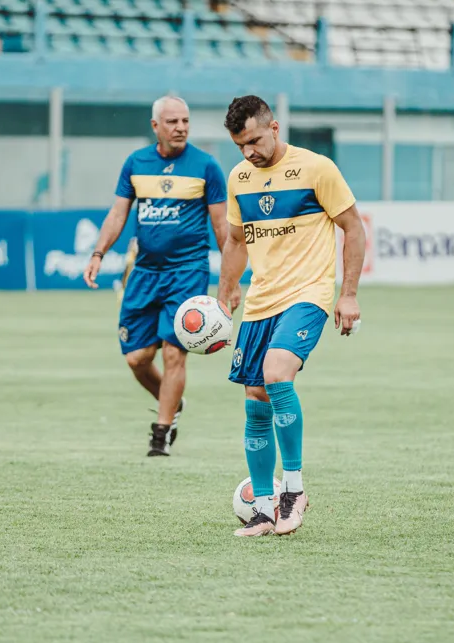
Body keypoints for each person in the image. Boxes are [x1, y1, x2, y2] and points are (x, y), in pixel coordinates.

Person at [216, 95, 366, 537]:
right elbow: (237, 240)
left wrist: (349, 294)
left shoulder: (317, 168)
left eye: (255, 141)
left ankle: (294, 491)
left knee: (277, 373)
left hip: (308, 294)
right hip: (261, 301)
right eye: (240, 144)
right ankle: (263, 509)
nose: (249, 152)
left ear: (275, 127)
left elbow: (353, 228)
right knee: (255, 399)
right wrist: (226, 290)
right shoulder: (239, 177)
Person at [84, 96, 240, 457]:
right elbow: (118, 214)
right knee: (137, 358)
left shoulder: (206, 166)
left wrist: (229, 284)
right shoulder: (136, 163)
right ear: (155, 126)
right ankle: (172, 400)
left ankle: (162, 432)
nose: (181, 127)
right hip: (144, 273)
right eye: (172, 121)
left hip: (187, 273)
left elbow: (221, 227)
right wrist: (97, 253)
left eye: (185, 120)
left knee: (174, 355)